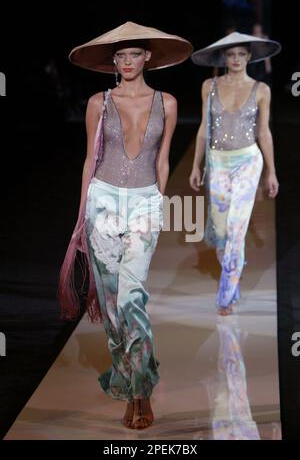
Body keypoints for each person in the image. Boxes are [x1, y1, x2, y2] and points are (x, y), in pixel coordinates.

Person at [57, 21, 192, 429]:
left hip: (145, 202)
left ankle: (141, 391)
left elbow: (164, 158)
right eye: (120, 56)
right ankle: (126, 380)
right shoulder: (99, 102)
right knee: (114, 310)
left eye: (134, 54)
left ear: (148, 56)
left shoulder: (167, 102)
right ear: (113, 62)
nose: (128, 61)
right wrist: (82, 216)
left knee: (133, 300)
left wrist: (156, 203)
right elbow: (89, 161)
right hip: (102, 200)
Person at [189, 32, 281, 316]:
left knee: (237, 228)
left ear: (250, 57)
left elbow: (263, 132)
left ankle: (226, 293)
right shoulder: (209, 86)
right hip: (217, 162)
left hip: (248, 161)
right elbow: (205, 127)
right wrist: (196, 164)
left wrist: (271, 171)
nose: (237, 59)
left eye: (242, 54)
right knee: (220, 231)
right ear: (223, 58)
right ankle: (234, 273)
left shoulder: (261, 89)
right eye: (231, 54)